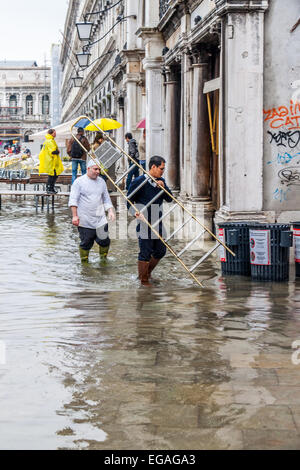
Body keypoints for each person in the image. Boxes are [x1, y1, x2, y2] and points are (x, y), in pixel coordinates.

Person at [127, 156, 173, 286]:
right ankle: (144, 281)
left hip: (157, 221)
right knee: (145, 252)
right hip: (144, 222)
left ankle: (146, 273)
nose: (162, 171)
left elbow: (170, 199)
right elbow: (129, 200)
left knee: (160, 250)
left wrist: (164, 187)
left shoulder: (161, 181)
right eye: (161, 169)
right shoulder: (139, 181)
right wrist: (135, 212)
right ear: (153, 167)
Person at [69, 159, 115, 263]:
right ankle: (84, 263)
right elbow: (73, 200)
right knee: (86, 243)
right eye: (95, 169)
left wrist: (110, 211)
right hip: (85, 220)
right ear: (88, 169)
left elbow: (106, 198)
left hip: (100, 219)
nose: (98, 171)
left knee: (105, 241)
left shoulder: (101, 181)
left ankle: (103, 260)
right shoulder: (79, 182)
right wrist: (74, 216)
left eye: (99, 169)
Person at [38, 129, 64, 194]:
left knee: (53, 175)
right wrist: (57, 151)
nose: (55, 134)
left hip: (50, 160)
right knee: (53, 175)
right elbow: (52, 152)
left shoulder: (49, 140)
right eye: (54, 133)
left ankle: (50, 188)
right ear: (51, 133)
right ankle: (49, 188)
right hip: (51, 160)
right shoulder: (50, 141)